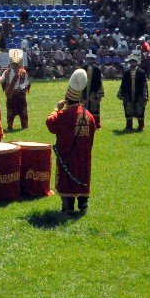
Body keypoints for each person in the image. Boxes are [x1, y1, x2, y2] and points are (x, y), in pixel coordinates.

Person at [47, 69, 99, 215]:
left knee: (68, 178)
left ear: (67, 100)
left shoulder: (64, 114)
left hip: (67, 155)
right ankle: (83, 203)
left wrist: (55, 109)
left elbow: (50, 124)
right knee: (83, 175)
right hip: (84, 155)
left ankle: (68, 205)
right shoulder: (89, 115)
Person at [117, 54, 149, 131]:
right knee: (128, 109)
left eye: (134, 62)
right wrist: (122, 94)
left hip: (139, 95)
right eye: (131, 62)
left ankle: (140, 127)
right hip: (128, 94)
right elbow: (123, 84)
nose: (132, 64)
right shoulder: (126, 72)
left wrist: (145, 95)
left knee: (140, 110)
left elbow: (144, 84)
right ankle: (129, 126)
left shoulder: (141, 72)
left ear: (136, 62)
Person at [1, 49, 31, 130]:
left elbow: (27, 82)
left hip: (20, 95)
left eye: (16, 64)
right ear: (11, 64)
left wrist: (22, 87)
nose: (15, 66)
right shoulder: (6, 72)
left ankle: (24, 126)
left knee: (23, 112)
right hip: (10, 95)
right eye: (13, 64)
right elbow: (2, 80)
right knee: (10, 112)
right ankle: (10, 126)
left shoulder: (23, 72)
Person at [82, 51, 105, 127]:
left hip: (94, 91)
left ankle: (96, 124)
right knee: (83, 107)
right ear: (87, 59)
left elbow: (99, 82)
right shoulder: (83, 69)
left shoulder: (97, 70)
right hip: (84, 91)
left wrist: (97, 93)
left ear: (94, 60)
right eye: (89, 59)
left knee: (94, 108)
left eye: (92, 59)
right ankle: (84, 123)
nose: (91, 61)